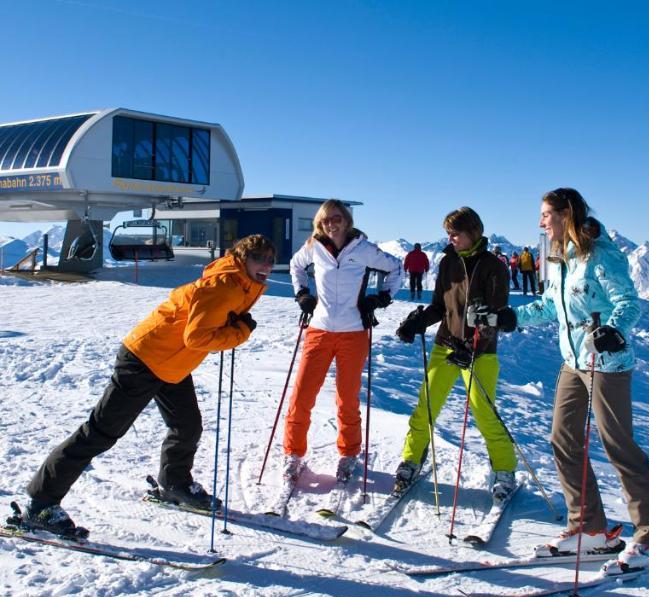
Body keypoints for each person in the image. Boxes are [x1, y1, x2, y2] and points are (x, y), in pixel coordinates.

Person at [21, 235, 276, 537]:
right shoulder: (224, 285)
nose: (266, 266)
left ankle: (174, 485)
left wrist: (235, 326)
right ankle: (41, 505)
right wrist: (240, 332)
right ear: (241, 258)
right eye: (259, 258)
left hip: (172, 365)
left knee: (187, 425)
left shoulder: (242, 285)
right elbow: (197, 338)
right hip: (143, 360)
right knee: (100, 433)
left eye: (271, 260)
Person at [511, 188, 649, 574]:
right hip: (573, 361)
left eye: (546, 215)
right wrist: (507, 318)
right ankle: (589, 529)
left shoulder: (601, 255)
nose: (540, 222)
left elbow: (628, 303)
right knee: (563, 439)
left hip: (607, 361)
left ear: (566, 213)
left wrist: (613, 329)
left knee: (617, 444)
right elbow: (549, 307)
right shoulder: (556, 257)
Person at [393, 207, 519, 501]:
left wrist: (473, 346)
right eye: (448, 233)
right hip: (446, 344)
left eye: (455, 233)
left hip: (481, 351)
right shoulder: (448, 262)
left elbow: (496, 315)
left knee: (484, 412)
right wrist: (418, 322)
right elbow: (440, 306)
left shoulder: (493, 266)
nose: (450, 239)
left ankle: (504, 469)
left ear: (472, 232)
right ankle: (411, 459)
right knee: (425, 407)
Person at [283, 199, 403, 488]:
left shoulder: (363, 249)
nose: (330, 223)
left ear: (346, 220)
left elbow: (396, 268)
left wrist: (382, 298)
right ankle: (292, 455)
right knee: (301, 397)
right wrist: (302, 294)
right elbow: (295, 266)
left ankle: (349, 454)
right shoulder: (314, 246)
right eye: (325, 219)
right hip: (319, 330)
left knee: (347, 399)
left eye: (336, 218)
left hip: (353, 332)